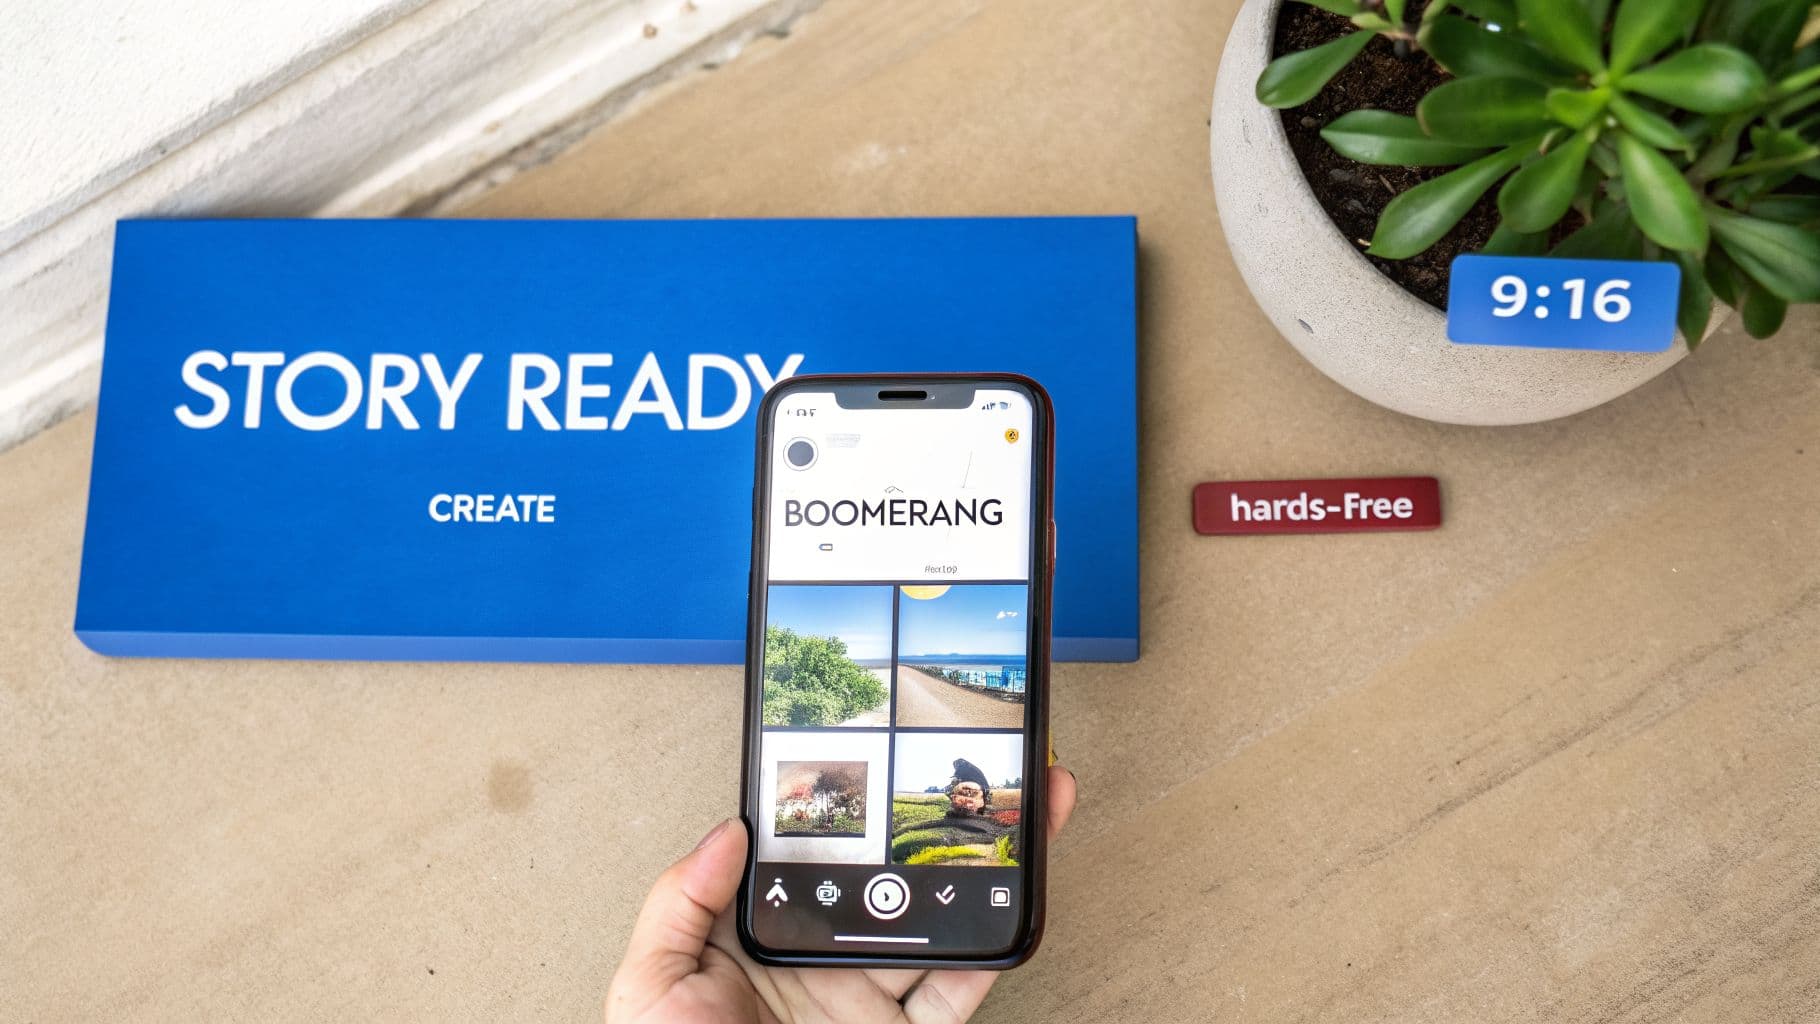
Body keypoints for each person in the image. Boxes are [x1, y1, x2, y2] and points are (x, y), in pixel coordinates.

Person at [605, 763, 1077, 1023]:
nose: (965, 798)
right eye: (960, 791)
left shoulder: (995, 831)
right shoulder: (923, 824)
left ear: (986, 799)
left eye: (974, 793)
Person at [891, 759, 1018, 867]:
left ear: (984, 798)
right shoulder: (940, 822)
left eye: (971, 793)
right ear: (952, 797)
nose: (967, 801)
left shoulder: (999, 824)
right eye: (961, 794)